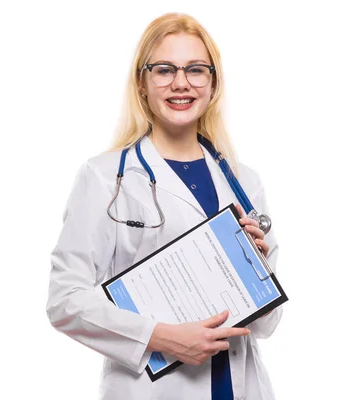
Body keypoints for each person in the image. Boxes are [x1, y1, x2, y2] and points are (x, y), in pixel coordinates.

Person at [47, 12, 283, 400]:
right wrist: (160, 337)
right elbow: (64, 299)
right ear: (142, 83)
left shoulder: (243, 182)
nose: (180, 83)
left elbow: (266, 325)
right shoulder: (105, 177)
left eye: (195, 70)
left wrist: (258, 267)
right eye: (164, 69)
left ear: (213, 83)